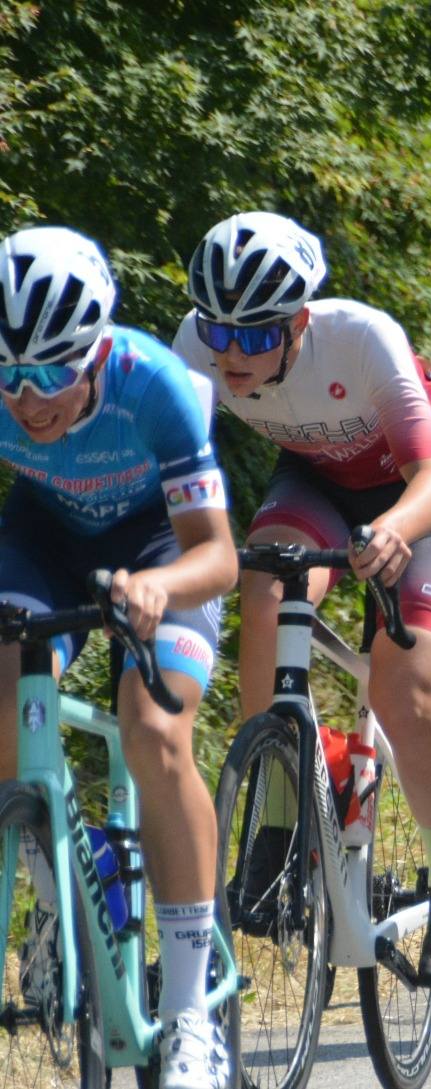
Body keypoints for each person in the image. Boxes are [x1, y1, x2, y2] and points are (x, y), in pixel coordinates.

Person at [173, 211, 431, 987]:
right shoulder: (195, 348)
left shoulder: (360, 338)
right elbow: (178, 479)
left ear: (299, 321)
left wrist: (392, 533)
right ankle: (278, 826)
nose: (229, 354)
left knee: (404, 691)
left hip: (419, 492)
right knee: (265, 590)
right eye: (219, 332)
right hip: (315, 480)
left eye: (253, 337)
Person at [0, 226, 238, 1088]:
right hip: (44, 538)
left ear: (98, 349)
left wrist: (157, 589)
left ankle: (187, 1017)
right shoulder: (10, 390)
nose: (29, 400)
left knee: (154, 732)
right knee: (2, 714)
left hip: (159, 547)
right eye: (10, 375)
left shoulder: (156, 386)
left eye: (53, 374)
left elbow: (218, 554)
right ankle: (55, 888)